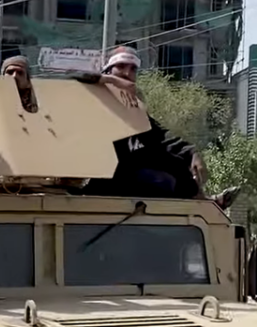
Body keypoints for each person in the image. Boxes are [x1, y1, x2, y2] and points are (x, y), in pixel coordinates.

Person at [77, 46, 239, 210]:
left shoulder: (133, 108)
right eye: (120, 67)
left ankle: (202, 199)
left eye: (133, 69)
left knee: (171, 160)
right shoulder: (92, 97)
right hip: (105, 179)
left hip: (131, 178)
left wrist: (192, 153)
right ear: (107, 70)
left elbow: (162, 137)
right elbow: (75, 79)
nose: (127, 73)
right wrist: (110, 81)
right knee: (158, 175)